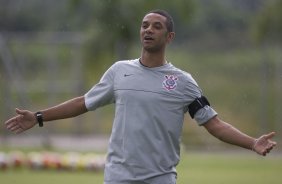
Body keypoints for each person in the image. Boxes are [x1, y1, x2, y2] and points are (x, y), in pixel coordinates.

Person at [5, 9, 277, 184]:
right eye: (145, 25)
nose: (148, 29)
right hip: (117, 177)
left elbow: (215, 125)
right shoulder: (119, 71)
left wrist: (252, 142)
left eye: (156, 26)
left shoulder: (183, 82)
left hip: (160, 179)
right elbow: (82, 103)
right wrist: (39, 116)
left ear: (169, 36)